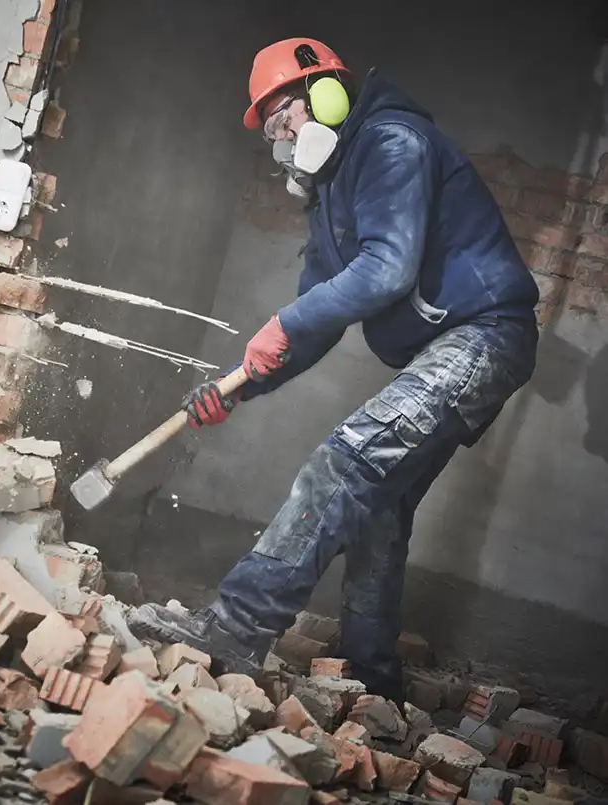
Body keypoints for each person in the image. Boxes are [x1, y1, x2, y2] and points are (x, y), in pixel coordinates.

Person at [127, 38, 539, 703]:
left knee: (344, 463)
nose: (284, 138)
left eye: (286, 115)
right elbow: (312, 321)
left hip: (484, 335)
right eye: (272, 131)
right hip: (448, 348)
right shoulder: (328, 198)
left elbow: (387, 269)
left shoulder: (392, 142)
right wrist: (242, 383)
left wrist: (283, 326)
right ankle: (371, 683)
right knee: (376, 506)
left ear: (329, 93)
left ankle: (235, 626)